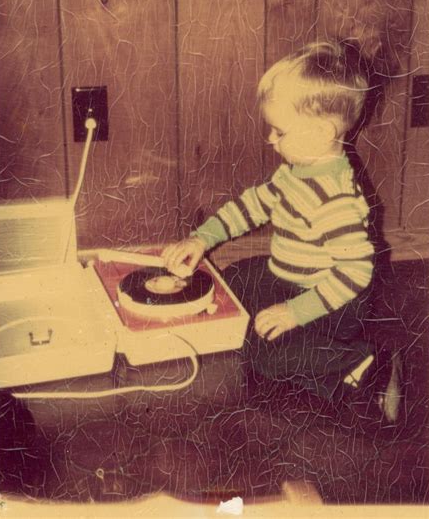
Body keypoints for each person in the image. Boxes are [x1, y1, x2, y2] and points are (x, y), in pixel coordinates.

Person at [163, 40, 402, 424]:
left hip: (332, 302)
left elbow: (357, 272)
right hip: (290, 274)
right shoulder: (297, 171)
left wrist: (295, 312)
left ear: (323, 131)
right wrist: (202, 238)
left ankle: (362, 363)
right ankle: (324, 355)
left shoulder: (335, 200)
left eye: (279, 131)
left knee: (264, 352)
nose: (270, 139)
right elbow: (253, 205)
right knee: (232, 282)